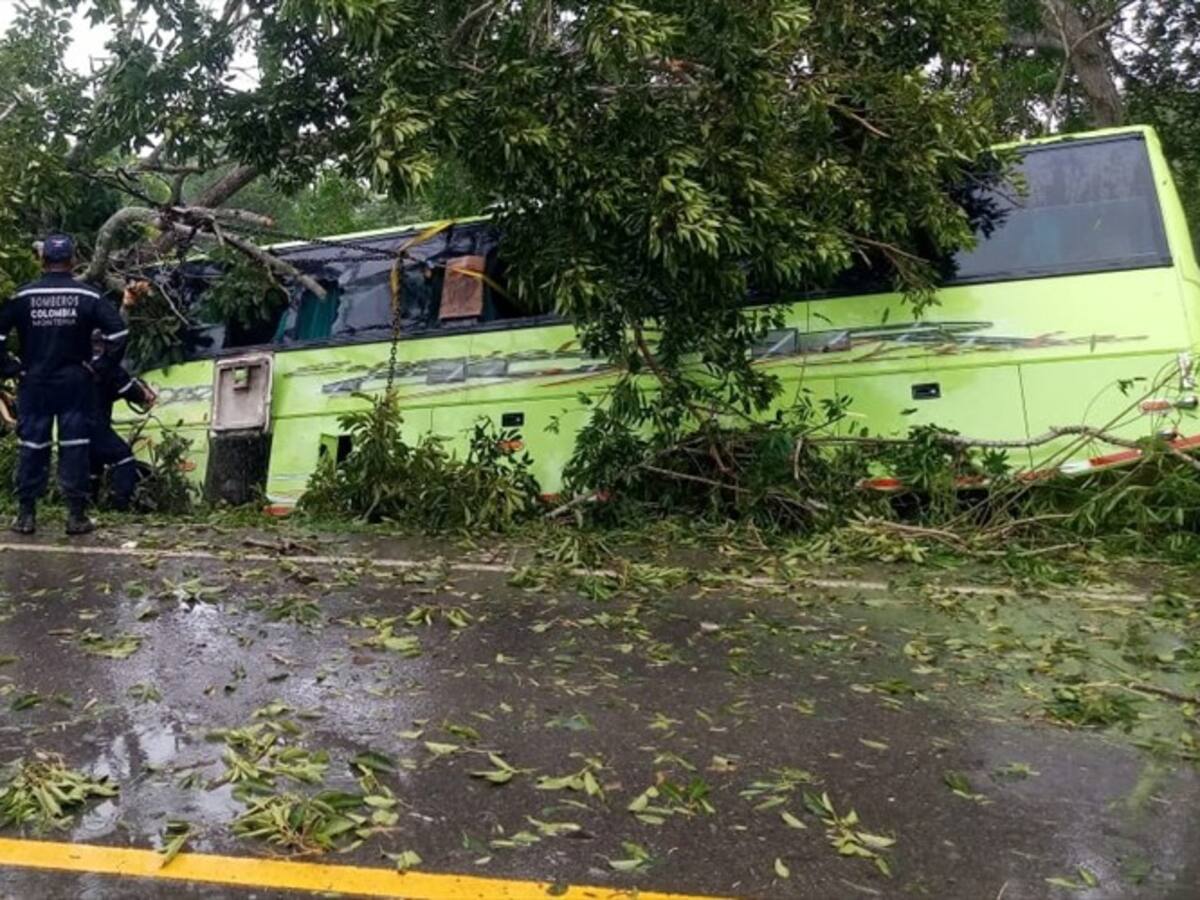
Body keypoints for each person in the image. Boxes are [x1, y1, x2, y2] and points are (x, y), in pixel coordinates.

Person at [0, 234, 128, 535]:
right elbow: (118, 334)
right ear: (72, 261)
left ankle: (26, 515)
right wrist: (99, 367)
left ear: (42, 261)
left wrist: (11, 368)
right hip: (75, 382)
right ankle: (76, 516)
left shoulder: (21, 297)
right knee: (75, 447)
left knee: (32, 445)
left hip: (34, 382)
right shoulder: (89, 296)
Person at [89, 328, 156, 511]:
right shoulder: (107, 365)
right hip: (95, 425)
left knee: (92, 466)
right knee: (123, 458)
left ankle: (86, 507)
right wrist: (145, 396)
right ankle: (120, 505)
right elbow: (126, 389)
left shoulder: (79, 364)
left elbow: (104, 391)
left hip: (72, 425)